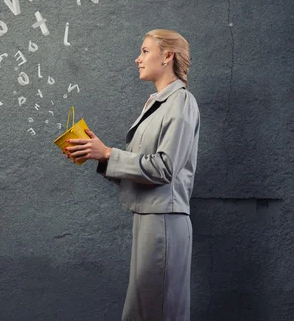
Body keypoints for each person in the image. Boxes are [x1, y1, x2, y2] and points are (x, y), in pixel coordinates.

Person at [63, 29, 200, 321]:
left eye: (145, 51)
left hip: (164, 221)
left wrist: (110, 153)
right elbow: (141, 168)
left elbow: (164, 168)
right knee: (145, 312)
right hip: (148, 219)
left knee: (160, 312)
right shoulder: (156, 102)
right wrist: (97, 155)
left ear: (167, 56)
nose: (138, 59)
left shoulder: (182, 102)